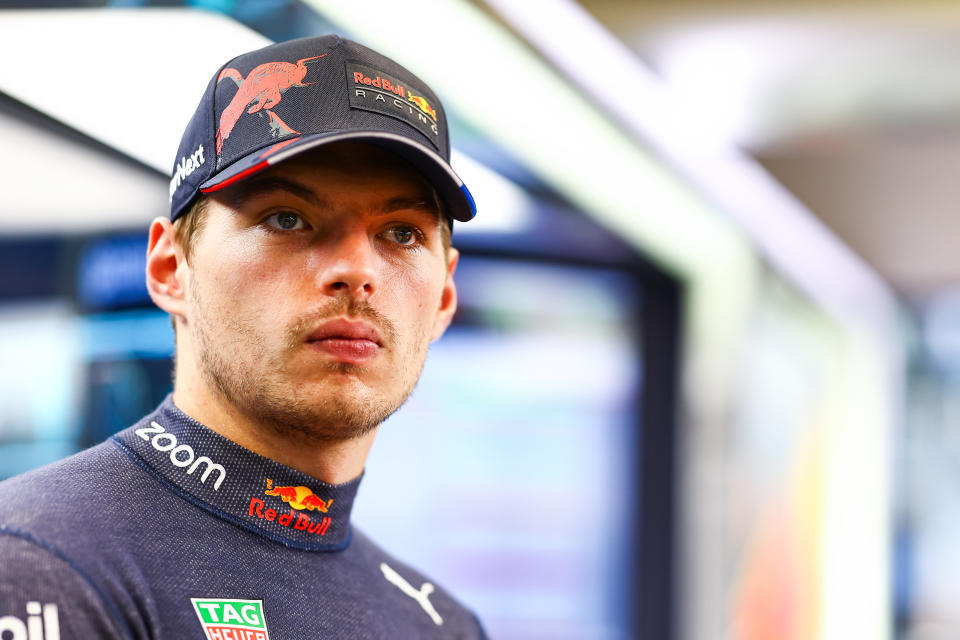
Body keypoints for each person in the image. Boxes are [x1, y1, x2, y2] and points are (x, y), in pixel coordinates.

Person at [0, 34, 486, 639]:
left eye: (402, 234)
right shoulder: (38, 565)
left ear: (443, 297)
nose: (357, 271)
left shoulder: (441, 625)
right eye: (287, 218)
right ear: (171, 269)